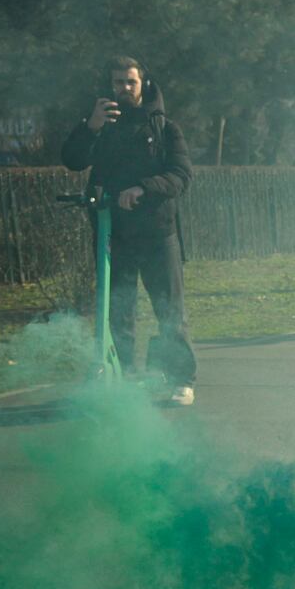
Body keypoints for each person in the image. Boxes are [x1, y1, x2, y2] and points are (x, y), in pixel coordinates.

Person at [61, 56, 195, 404]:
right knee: (117, 310)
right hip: (112, 234)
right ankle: (122, 378)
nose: (123, 88)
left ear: (143, 84)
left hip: (157, 232)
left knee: (169, 308)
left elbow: (181, 175)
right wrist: (90, 126)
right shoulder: (100, 124)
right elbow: (73, 159)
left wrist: (145, 188)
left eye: (130, 82)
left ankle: (180, 379)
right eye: (118, 82)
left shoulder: (165, 128)